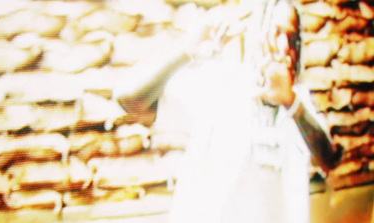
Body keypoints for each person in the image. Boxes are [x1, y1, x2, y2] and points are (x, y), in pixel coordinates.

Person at [115, 0, 340, 222]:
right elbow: (128, 98)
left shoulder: (297, 102)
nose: (284, 48)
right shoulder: (219, 84)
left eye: (292, 39)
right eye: (275, 33)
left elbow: (328, 160)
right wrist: (187, 49)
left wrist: (292, 104)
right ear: (254, 33)